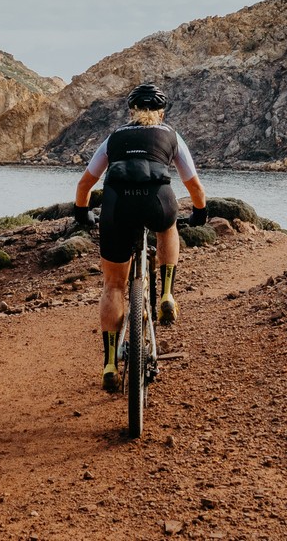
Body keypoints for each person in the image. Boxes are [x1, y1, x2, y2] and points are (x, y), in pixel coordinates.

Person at [73, 82, 207, 392]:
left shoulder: (114, 138)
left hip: (117, 207)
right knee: (167, 226)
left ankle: (109, 363)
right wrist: (199, 214)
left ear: (132, 110)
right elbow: (195, 188)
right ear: (161, 112)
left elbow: (84, 185)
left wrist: (82, 214)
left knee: (113, 285)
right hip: (156, 202)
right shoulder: (171, 136)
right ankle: (167, 295)